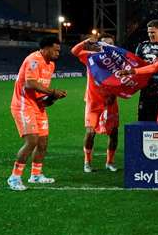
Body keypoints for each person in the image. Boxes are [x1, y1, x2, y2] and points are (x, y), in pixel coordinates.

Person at [7, 36, 67, 190]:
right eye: (55, 50)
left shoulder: (51, 65)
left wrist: (52, 98)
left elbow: (41, 96)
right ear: (46, 48)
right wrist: (53, 91)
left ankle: (35, 175)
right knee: (32, 140)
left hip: (38, 106)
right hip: (23, 104)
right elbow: (30, 83)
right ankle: (14, 177)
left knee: (42, 142)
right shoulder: (34, 59)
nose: (58, 53)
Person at [71, 33, 120, 172]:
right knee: (90, 132)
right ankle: (87, 162)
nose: (107, 46)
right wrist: (86, 42)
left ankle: (110, 162)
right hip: (93, 102)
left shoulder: (118, 61)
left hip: (110, 101)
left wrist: (114, 94)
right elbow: (74, 51)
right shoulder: (90, 56)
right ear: (98, 46)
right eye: (104, 44)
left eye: (110, 44)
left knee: (114, 133)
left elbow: (121, 81)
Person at [135, 19, 158, 121]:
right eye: (149, 32)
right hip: (147, 93)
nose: (150, 35)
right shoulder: (142, 46)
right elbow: (135, 65)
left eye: (153, 32)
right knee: (145, 123)